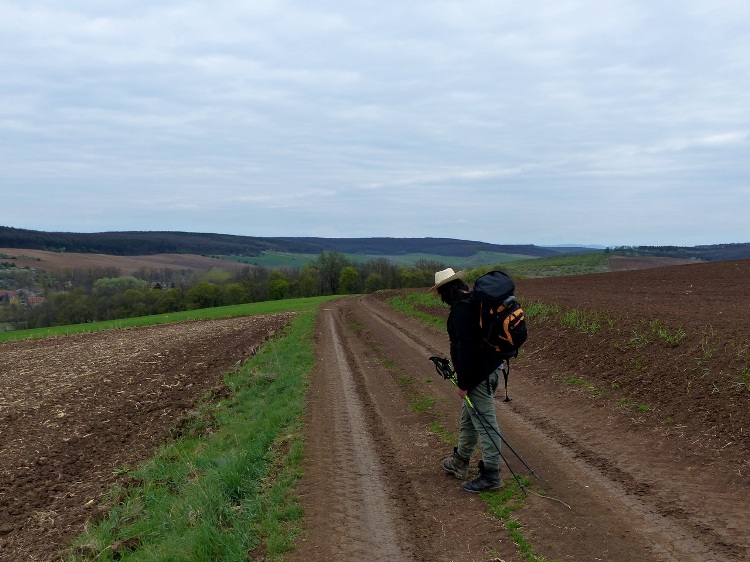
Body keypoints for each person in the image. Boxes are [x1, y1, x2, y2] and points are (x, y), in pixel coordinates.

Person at [432, 267, 504, 492]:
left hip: (478, 375)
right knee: (469, 419)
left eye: (439, 293)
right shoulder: (474, 301)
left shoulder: (461, 310)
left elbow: (467, 349)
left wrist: (463, 384)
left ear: (445, 291)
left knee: (485, 423)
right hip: (490, 369)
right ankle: (460, 462)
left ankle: (492, 474)